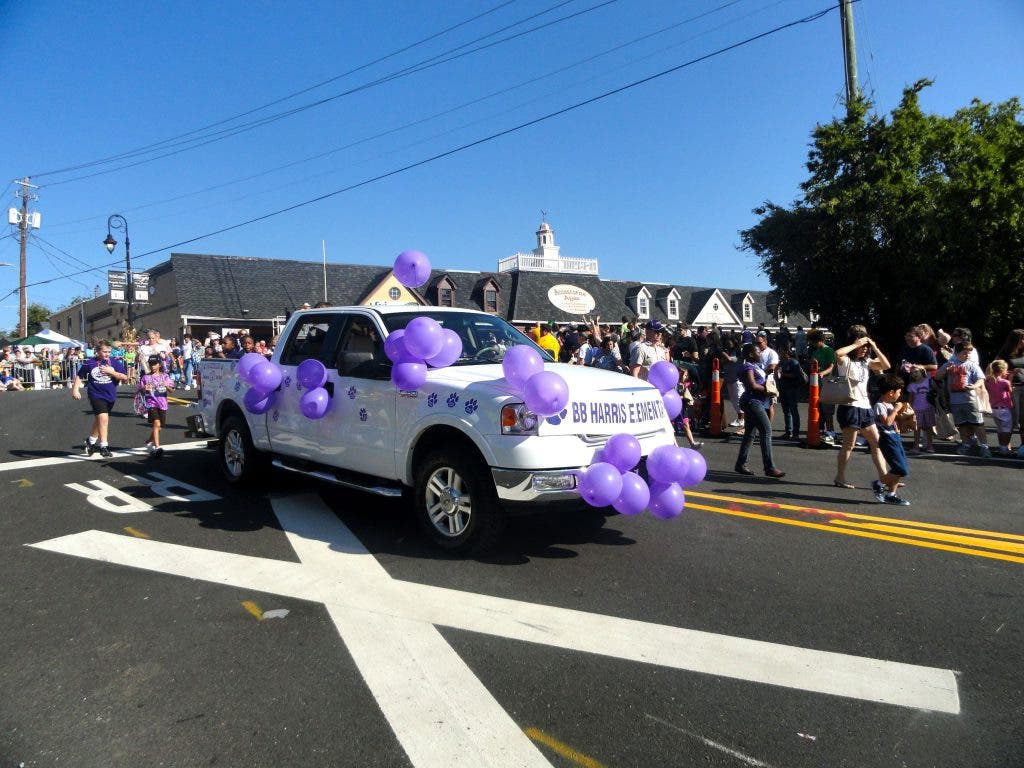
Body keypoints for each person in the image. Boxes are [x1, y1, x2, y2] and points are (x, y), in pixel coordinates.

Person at [832, 329, 892, 493]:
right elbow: (838, 353)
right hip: (850, 407)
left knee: (876, 443)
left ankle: (885, 477)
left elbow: (886, 366)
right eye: (862, 346)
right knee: (849, 445)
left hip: (865, 408)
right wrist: (855, 344)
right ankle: (840, 477)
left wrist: (874, 346)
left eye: (866, 346)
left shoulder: (867, 362)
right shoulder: (845, 361)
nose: (864, 349)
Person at [733, 343, 785, 478]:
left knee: (750, 434)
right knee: (766, 431)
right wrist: (768, 390)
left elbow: (759, 382)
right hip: (752, 402)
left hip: (755, 402)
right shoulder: (748, 367)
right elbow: (752, 385)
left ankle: (740, 464)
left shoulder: (756, 367)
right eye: (758, 351)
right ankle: (769, 467)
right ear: (751, 354)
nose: (760, 353)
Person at [72, 340, 129, 458]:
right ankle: (104, 446)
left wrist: (112, 372)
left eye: (109, 351)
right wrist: (75, 390)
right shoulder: (90, 363)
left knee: (100, 420)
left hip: (110, 395)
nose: (107, 354)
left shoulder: (114, 362)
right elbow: (80, 375)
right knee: (103, 418)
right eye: (104, 352)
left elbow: (125, 377)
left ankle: (91, 441)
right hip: (95, 394)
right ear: (97, 351)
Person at [936, 341, 990, 457]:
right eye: (965, 353)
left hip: (970, 399)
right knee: (962, 424)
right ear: (957, 353)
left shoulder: (972, 365)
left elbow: (981, 379)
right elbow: (937, 376)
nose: (967, 355)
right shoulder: (950, 363)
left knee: (977, 423)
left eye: (969, 353)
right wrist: (946, 370)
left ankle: (984, 446)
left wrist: (974, 386)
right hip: (955, 401)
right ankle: (966, 444)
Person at [872, 375, 912, 505]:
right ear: (891, 392)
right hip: (887, 440)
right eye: (898, 392)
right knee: (901, 468)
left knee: (899, 468)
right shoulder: (880, 405)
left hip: (895, 438)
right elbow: (887, 422)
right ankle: (878, 484)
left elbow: (893, 422)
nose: (899, 395)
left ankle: (891, 494)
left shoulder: (888, 404)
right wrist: (895, 410)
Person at [139, 354, 174, 457]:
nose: (152, 366)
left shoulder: (165, 376)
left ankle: (148, 441)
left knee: (158, 428)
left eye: (154, 364)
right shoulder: (146, 377)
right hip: (151, 403)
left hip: (162, 404)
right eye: (151, 364)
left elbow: (172, 390)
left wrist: (166, 385)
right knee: (156, 423)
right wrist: (145, 388)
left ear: (159, 364)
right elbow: (140, 389)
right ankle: (157, 447)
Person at [808, 329, 837, 442]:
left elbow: (831, 366)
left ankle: (831, 432)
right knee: (818, 407)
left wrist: (822, 374)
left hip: (827, 382)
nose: (811, 344)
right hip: (816, 383)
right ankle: (821, 430)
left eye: (812, 341)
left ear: (819, 340)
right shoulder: (815, 351)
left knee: (827, 409)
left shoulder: (828, 350)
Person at [996, 329, 1024, 444]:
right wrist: (1012, 372)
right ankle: (1005, 444)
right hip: (1011, 388)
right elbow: (994, 370)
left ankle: (1023, 445)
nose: (1023, 341)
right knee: (1012, 418)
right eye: (1021, 339)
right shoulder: (1004, 353)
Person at [984, 360, 1014, 456]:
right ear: (1002, 371)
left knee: (1000, 428)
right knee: (1006, 429)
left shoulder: (988, 380)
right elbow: (1011, 391)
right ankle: (1004, 448)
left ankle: (1002, 446)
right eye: (1006, 370)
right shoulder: (1005, 382)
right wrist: (1011, 378)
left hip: (994, 408)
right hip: (1004, 408)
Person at [777, 345, 806, 440]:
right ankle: (787, 432)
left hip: (792, 389)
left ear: (786, 353)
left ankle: (796, 433)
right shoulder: (781, 362)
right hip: (783, 389)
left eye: (781, 352)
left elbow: (796, 375)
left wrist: (783, 374)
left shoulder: (793, 362)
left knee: (793, 410)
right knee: (786, 411)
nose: (779, 353)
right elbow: (778, 374)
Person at [906, 366, 936, 454]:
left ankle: (930, 445)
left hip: (928, 408)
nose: (914, 374)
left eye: (916, 372)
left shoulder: (929, 381)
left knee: (929, 427)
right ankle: (916, 445)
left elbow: (935, 391)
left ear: (922, 371)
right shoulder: (912, 385)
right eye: (912, 373)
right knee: (917, 428)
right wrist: (910, 409)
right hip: (916, 409)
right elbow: (910, 399)